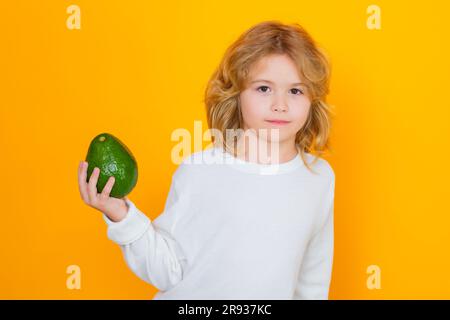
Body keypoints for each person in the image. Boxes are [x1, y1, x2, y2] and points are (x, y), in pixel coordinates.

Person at [77, 20, 335, 300]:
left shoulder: (319, 177)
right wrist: (121, 215)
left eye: (295, 91)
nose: (280, 104)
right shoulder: (200, 171)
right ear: (236, 94)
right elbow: (168, 269)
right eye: (263, 88)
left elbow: (313, 279)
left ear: (312, 100)